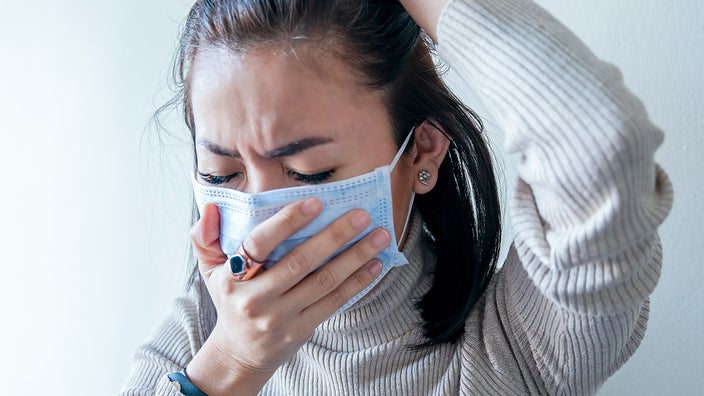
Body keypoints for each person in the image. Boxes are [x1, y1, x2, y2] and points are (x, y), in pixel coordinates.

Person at [122, 0, 673, 394]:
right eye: (221, 175)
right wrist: (230, 364)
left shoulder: (518, 346)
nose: (270, 220)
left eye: (310, 172)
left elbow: (601, 144)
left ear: (423, 153)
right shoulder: (201, 330)